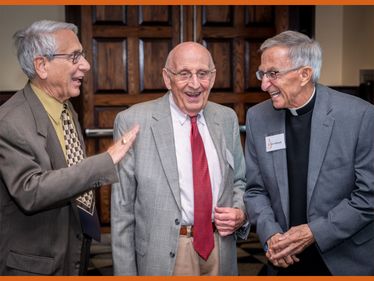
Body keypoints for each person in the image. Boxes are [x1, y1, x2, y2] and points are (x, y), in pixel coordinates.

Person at [0, 20, 139, 275]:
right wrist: (104, 160)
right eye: (75, 57)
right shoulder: (9, 122)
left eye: (82, 55)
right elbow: (31, 191)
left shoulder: (66, 109)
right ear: (42, 65)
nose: (85, 65)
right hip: (34, 266)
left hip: (72, 251)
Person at [111, 41, 249, 276]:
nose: (195, 84)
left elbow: (239, 181)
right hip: (166, 253)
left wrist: (240, 211)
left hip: (220, 250)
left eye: (202, 74)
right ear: (167, 78)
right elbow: (122, 209)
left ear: (213, 78)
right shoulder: (133, 121)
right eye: (184, 74)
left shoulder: (227, 118)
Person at [243, 30, 374, 275]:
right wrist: (271, 234)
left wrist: (314, 232)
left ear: (304, 74)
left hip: (344, 259)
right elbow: (255, 190)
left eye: (273, 74)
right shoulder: (258, 117)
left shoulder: (360, 116)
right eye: (262, 73)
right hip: (283, 257)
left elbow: (369, 196)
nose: (263, 84)